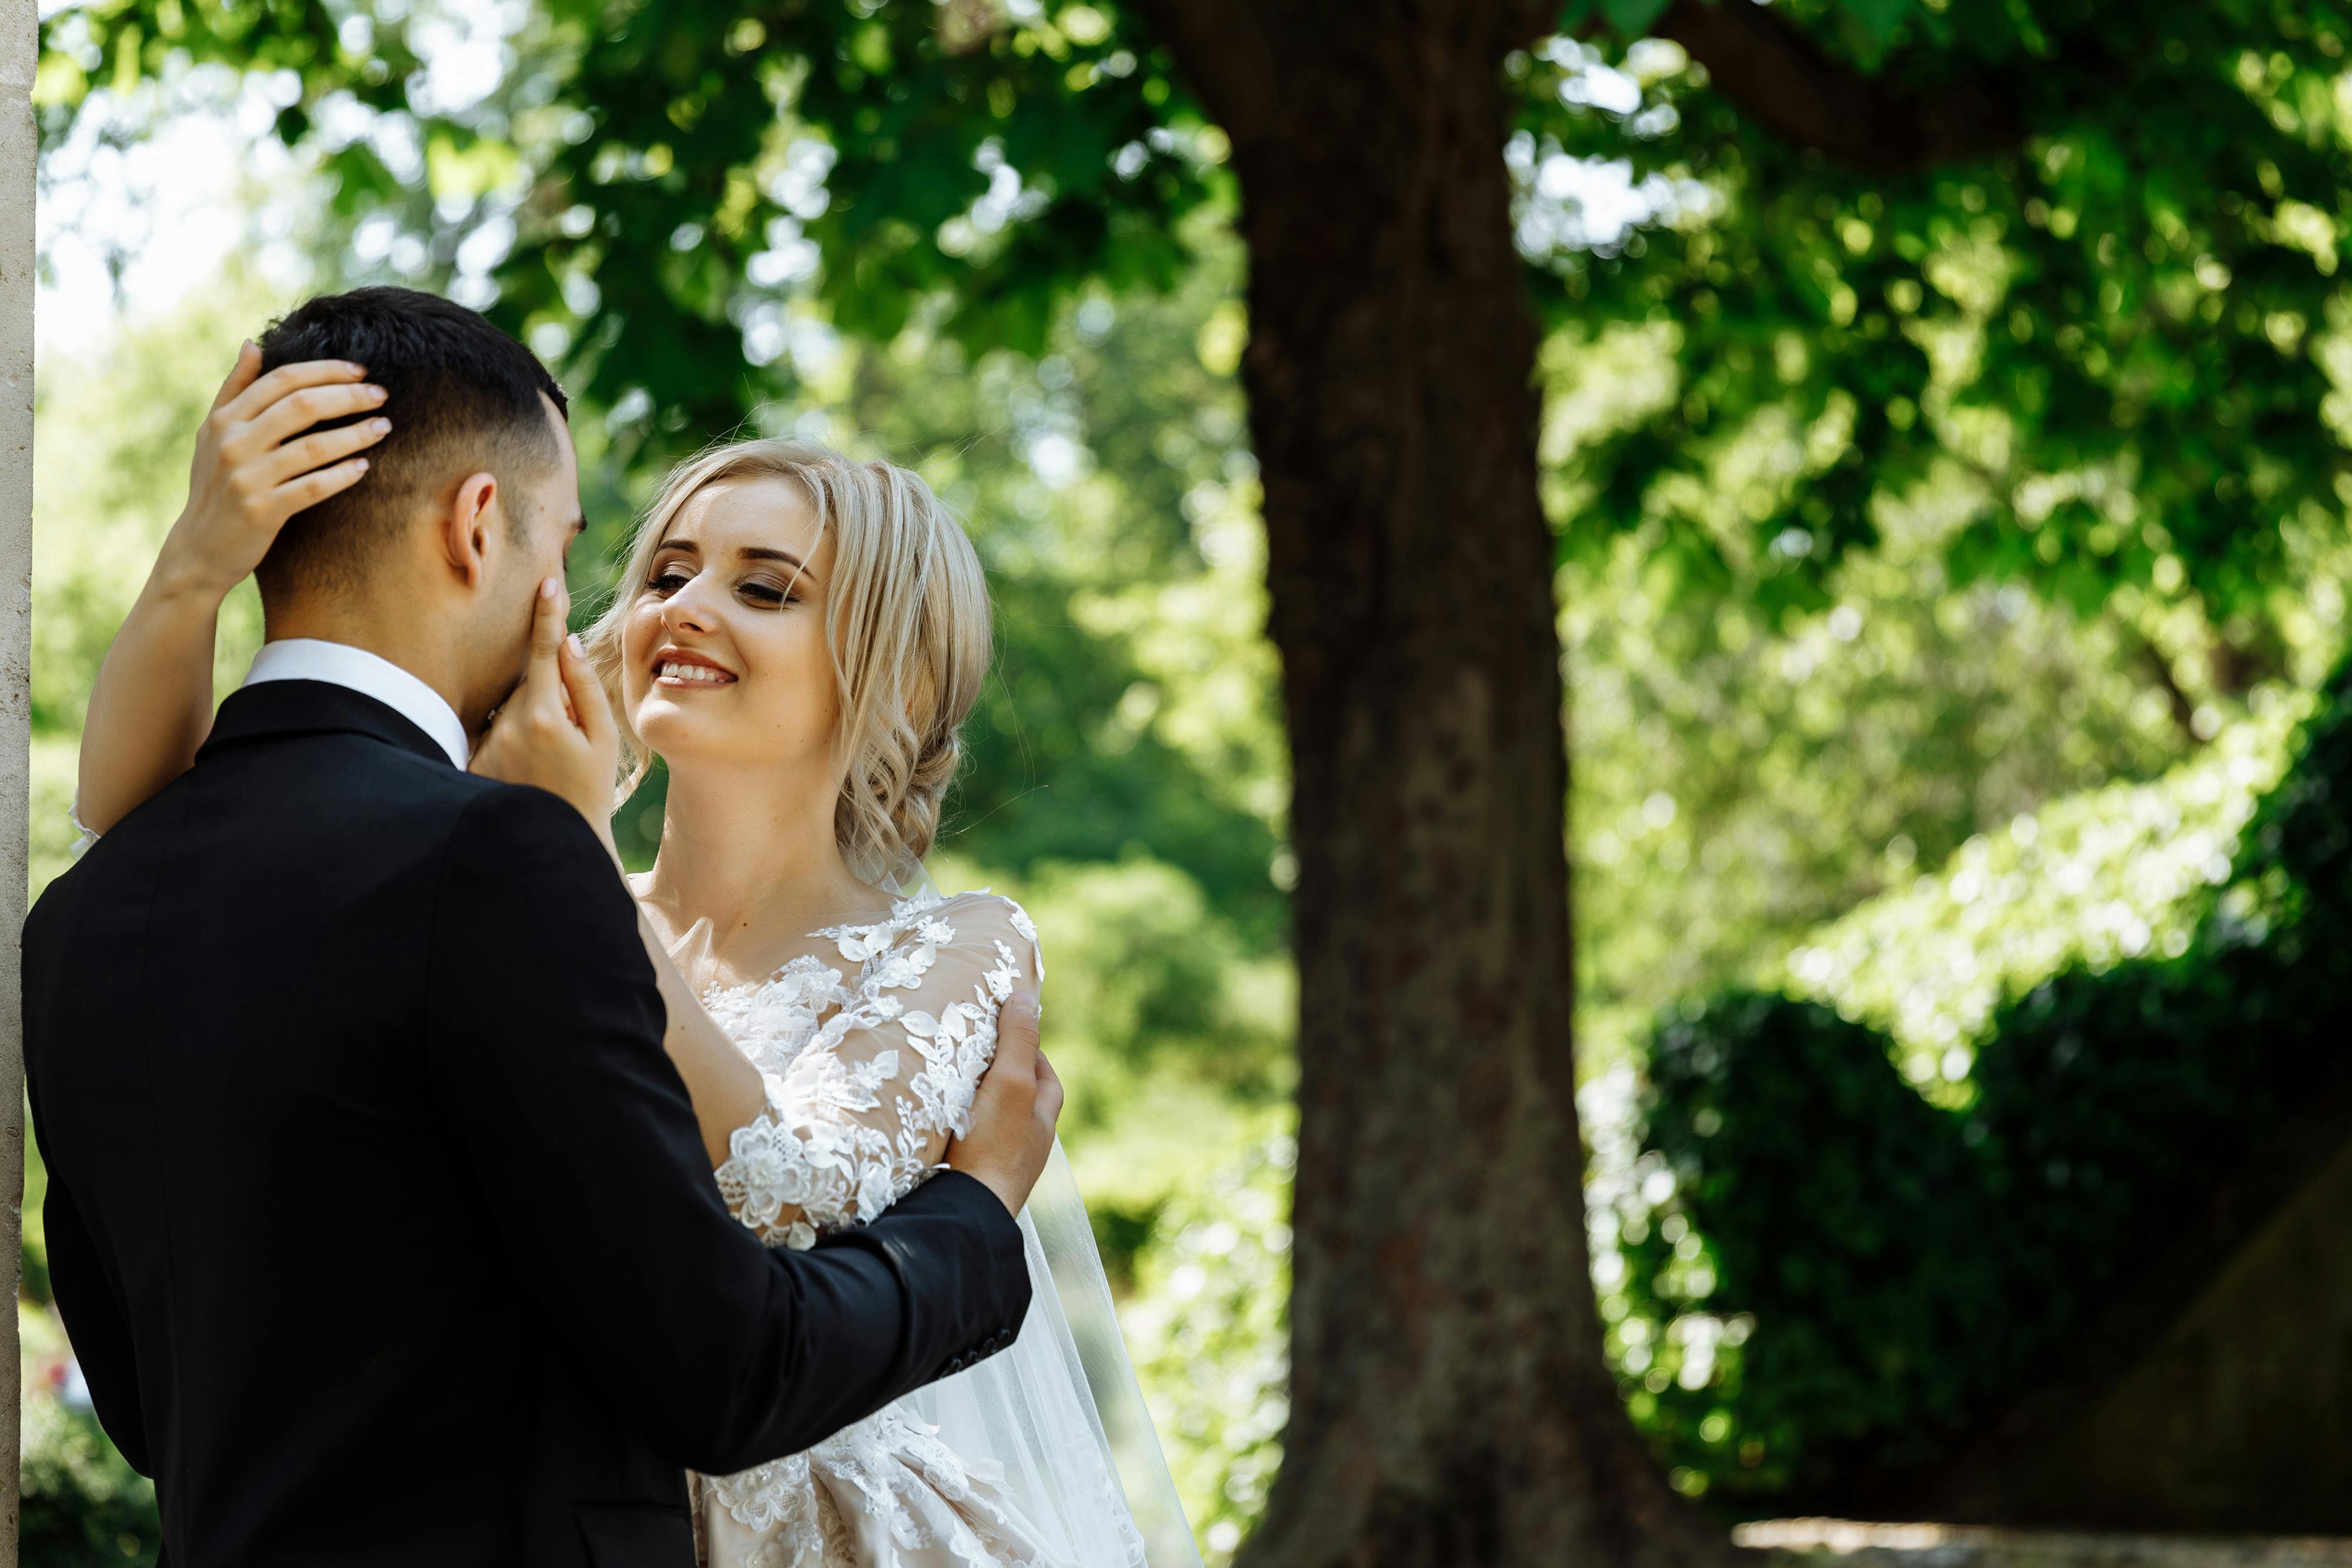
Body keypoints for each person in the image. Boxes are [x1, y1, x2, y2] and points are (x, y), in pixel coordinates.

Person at [60, 286, 1199, 1568]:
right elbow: (174, 841)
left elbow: (803, 1177)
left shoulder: (951, 945)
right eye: (663, 570)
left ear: (897, 668)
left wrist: (568, 846)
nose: (683, 606)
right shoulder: (498, 878)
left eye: (765, 587)